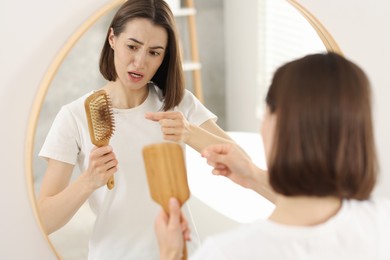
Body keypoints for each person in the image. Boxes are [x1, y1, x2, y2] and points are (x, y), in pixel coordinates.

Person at [37, 0, 235, 259]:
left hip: (180, 251)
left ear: (165, 56)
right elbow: (44, 220)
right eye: (132, 46)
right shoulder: (74, 116)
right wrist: (88, 181)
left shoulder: (176, 103)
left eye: (154, 52)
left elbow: (240, 161)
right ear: (112, 38)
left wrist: (189, 133)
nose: (140, 62)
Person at [154, 52, 390, 260]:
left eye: (265, 113)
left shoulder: (228, 253)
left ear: (277, 125)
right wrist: (253, 176)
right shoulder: (381, 223)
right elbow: (314, 212)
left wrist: (170, 254)